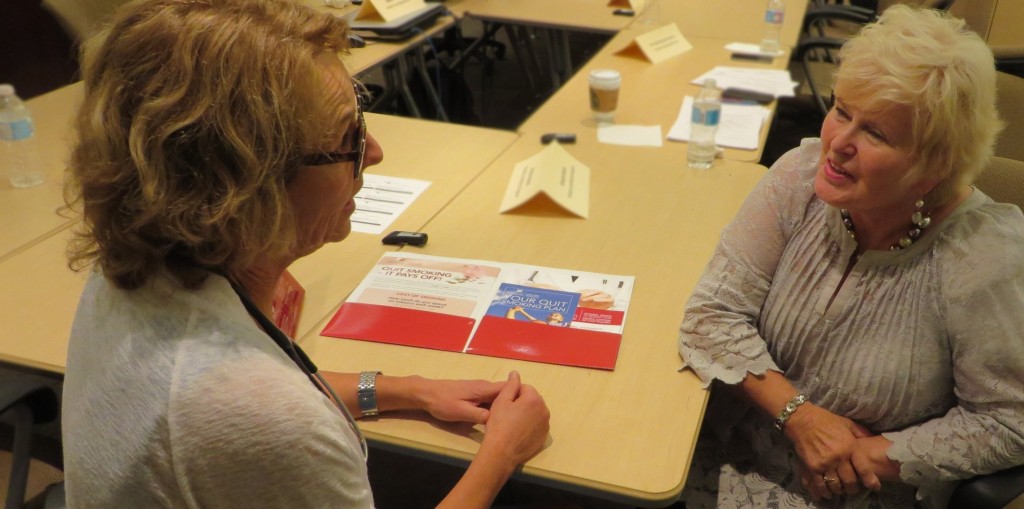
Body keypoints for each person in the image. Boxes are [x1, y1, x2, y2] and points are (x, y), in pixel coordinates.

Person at [61, 0, 549, 507]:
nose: (374, 152)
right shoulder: (276, 421)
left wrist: (408, 390)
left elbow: (251, 406)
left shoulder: (134, 269)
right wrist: (501, 454)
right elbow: (259, 415)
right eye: (349, 136)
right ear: (252, 182)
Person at [677, 6, 1024, 508]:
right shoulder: (797, 177)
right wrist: (801, 418)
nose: (837, 144)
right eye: (842, 111)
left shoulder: (982, 258)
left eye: (876, 133)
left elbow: (1009, 419)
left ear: (932, 167)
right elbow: (711, 314)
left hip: (857, 493)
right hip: (726, 452)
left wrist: (870, 457)